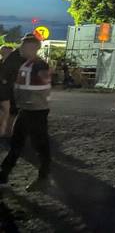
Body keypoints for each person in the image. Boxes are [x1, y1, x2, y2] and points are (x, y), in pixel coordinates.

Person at [0, 35, 52, 191]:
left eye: (23, 47)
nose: (20, 49)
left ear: (32, 48)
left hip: (36, 111)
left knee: (40, 145)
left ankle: (43, 178)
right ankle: (3, 175)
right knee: (17, 143)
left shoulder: (39, 66)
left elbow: (44, 89)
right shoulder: (27, 65)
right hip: (27, 110)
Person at [0, 45, 18, 137]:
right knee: (7, 112)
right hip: (5, 92)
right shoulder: (10, 64)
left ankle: (5, 131)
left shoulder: (13, 64)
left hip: (9, 92)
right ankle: (5, 131)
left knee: (8, 112)